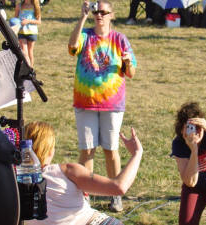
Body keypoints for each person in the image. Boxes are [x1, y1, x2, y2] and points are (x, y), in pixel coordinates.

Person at [68, 0, 137, 212]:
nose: (99, 15)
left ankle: (115, 194)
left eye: (103, 12)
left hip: (112, 104)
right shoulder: (86, 35)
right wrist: (82, 17)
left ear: (111, 15)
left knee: (110, 150)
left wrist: (126, 62)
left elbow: (131, 73)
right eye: (96, 12)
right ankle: (85, 196)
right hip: (85, 102)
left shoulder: (120, 39)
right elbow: (71, 47)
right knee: (87, 150)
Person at [24, 121, 143, 225]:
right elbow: (119, 187)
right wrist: (137, 153)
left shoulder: (12, 180)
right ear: (50, 150)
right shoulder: (67, 171)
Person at [14, 0, 41, 67]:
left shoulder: (35, 6)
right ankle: (28, 69)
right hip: (21, 31)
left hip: (32, 32)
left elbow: (39, 21)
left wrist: (28, 21)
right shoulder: (19, 6)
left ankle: (31, 70)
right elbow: (15, 19)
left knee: (30, 52)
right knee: (24, 51)